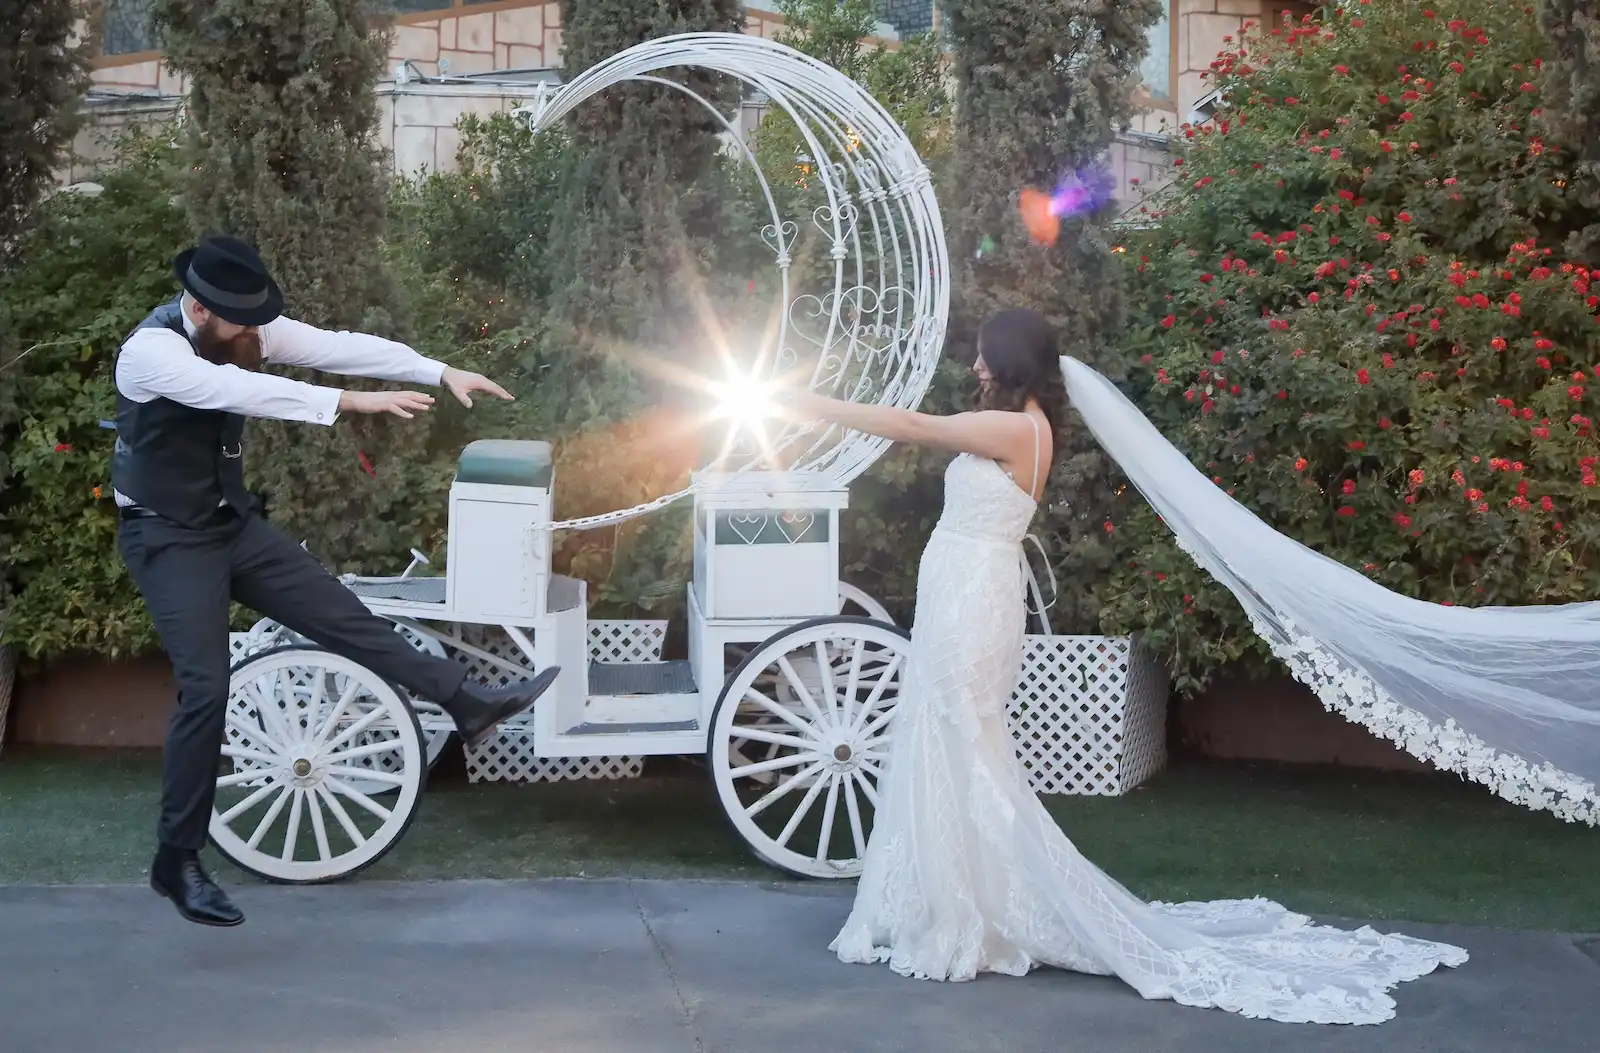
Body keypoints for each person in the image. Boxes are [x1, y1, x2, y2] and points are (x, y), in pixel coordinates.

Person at [777, 307, 1468, 1025]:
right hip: (964, 591)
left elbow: (916, 429)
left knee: (962, 744)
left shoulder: (1020, 429)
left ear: (1011, 363)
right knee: (948, 741)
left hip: (972, 603)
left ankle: (975, 910)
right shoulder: (1021, 424)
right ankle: (947, 898)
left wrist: (808, 404)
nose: (976, 367)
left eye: (985, 358)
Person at [114, 235, 559, 928]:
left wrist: (440, 370)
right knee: (205, 684)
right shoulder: (152, 352)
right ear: (201, 310)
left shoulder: (244, 328)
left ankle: (467, 704)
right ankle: (176, 859)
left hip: (229, 523)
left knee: (344, 616)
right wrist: (353, 404)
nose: (258, 331)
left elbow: (336, 344)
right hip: (167, 534)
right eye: (243, 320)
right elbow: (238, 390)